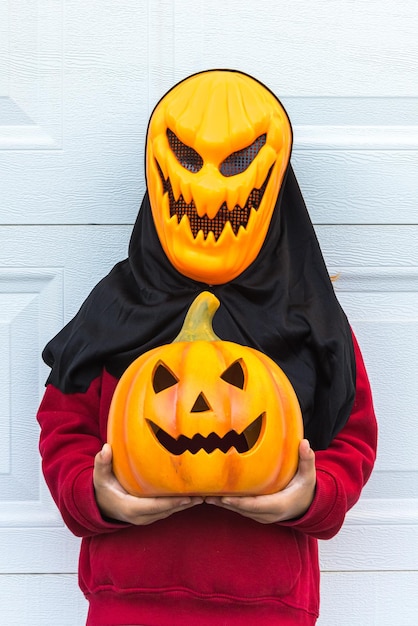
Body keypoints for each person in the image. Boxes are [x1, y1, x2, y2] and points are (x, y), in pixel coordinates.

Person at [37, 70, 377, 626]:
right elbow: (62, 427)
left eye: (238, 163)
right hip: (128, 603)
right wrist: (94, 495)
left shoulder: (309, 319)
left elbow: (353, 440)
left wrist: (314, 495)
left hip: (268, 606)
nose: (214, 188)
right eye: (189, 161)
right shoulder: (115, 312)